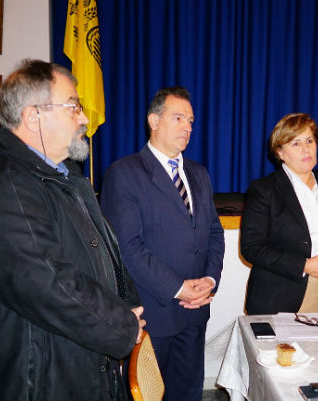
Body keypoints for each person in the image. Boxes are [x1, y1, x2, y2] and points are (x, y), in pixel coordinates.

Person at [0, 59, 145, 401]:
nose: (84, 119)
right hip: (28, 383)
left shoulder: (64, 177)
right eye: (73, 107)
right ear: (33, 116)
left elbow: (103, 257)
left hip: (74, 371)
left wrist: (130, 308)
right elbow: (47, 283)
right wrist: (122, 325)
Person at [100, 87, 225, 401]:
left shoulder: (199, 173)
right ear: (153, 121)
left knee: (188, 394)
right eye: (178, 118)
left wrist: (210, 281)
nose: (188, 127)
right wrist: (179, 288)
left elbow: (214, 233)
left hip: (195, 313)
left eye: (191, 121)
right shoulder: (124, 173)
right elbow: (127, 247)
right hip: (152, 314)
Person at [241, 113, 318, 315]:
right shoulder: (264, 189)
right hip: (276, 298)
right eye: (295, 143)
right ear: (280, 152)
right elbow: (252, 248)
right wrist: (304, 265)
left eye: (309, 141)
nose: (306, 149)